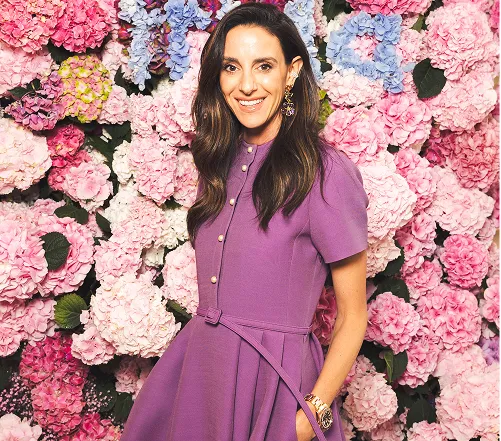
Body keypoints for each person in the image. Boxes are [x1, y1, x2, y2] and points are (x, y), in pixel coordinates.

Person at [119, 3, 369, 441]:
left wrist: (311, 417)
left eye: (264, 66)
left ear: (292, 73)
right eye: (232, 67)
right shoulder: (217, 161)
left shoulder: (325, 172)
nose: (247, 85)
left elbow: (353, 315)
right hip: (200, 376)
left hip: (275, 387)